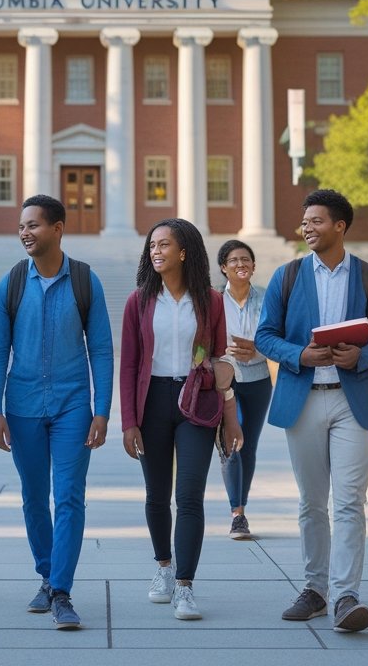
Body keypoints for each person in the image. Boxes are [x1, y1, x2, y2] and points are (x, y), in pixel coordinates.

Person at [254, 189, 368, 633]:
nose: (307, 228)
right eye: (304, 222)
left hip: (352, 400)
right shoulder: (288, 276)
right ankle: (315, 590)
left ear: (340, 226)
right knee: (312, 503)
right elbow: (265, 336)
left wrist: (363, 357)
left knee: (350, 501)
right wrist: (298, 356)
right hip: (304, 400)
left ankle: (346, 596)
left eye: (316, 221)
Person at [0, 194, 115, 630]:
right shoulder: (11, 283)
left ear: (58, 228)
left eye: (34, 225)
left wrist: (102, 410)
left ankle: (61, 590)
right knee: (34, 497)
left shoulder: (85, 280)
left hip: (73, 405)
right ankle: (46, 573)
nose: (25, 232)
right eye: (22, 225)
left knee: (70, 496)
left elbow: (100, 348)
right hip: (21, 407)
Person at [120, 218, 243, 622]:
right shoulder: (138, 301)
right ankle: (164, 568)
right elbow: (130, 365)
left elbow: (223, 361)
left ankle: (186, 587)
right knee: (157, 494)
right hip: (152, 401)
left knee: (189, 495)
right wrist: (128, 422)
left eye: (164, 245)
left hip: (198, 401)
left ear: (184, 251)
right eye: (152, 245)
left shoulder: (211, 300)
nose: (156, 251)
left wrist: (231, 416)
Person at [215, 239, 274, 540]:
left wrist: (257, 350)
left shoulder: (268, 298)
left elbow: (278, 338)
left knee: (247, 447)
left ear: (253, 266)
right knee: (231, 444)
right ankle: (236, 515)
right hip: (225, 382)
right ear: (223, 267)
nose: (241, 264)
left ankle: (242, 507)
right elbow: (199, 342)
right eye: (234, 260)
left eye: (246, 259)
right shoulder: (213, 301)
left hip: (259, 381)